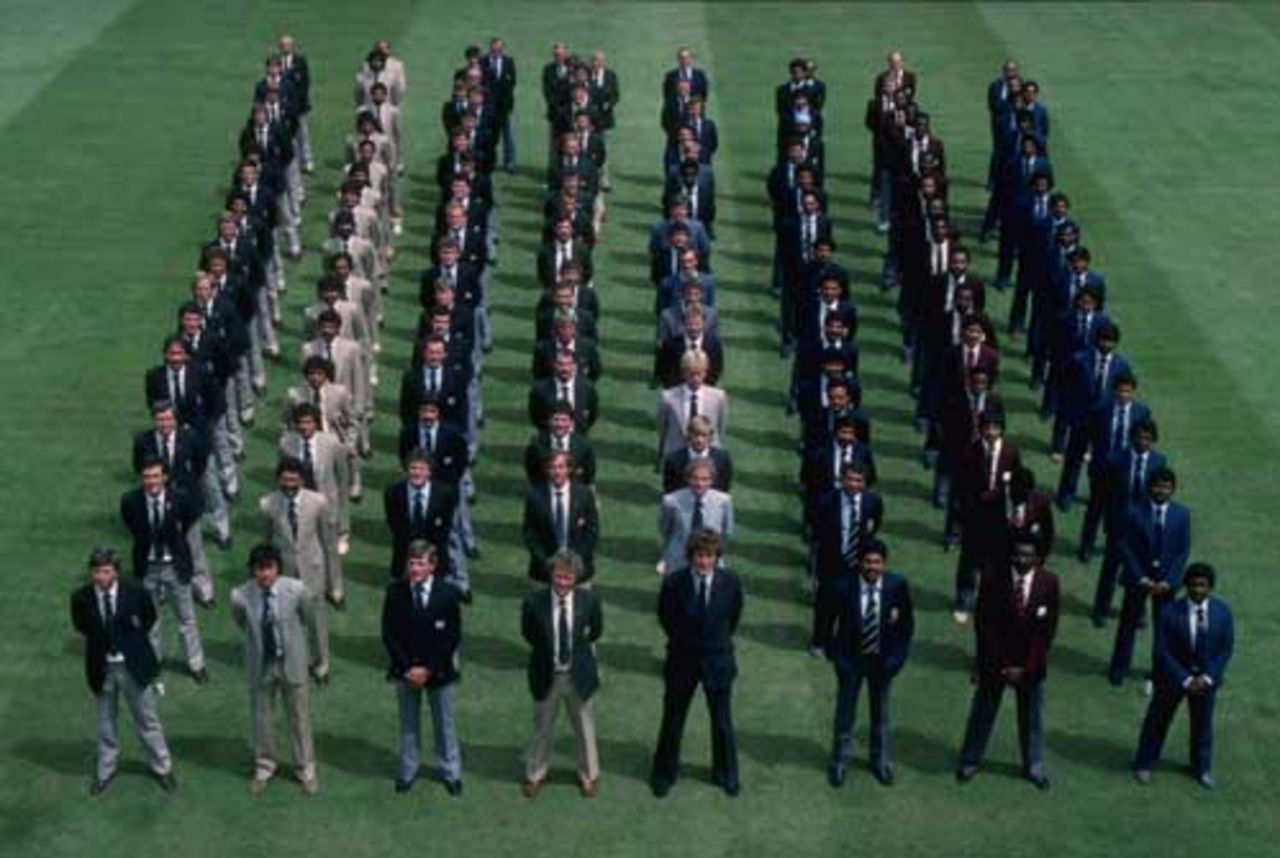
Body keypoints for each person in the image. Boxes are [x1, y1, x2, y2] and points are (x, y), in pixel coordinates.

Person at [70, 547, 176, 795]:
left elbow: (149, 619)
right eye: (96, 571)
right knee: (106, 723)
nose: (100, 577)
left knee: (148, 720)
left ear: (116, 572)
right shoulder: (80, 597)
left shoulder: (136, 591)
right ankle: (105, 771)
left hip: (134, 666)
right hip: (102, 667)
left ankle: (162, 767)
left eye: (106, 571)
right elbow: (82, 626)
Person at [957, 535, 1059, 790]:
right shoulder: (993, 578)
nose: (1022, 559)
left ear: (1037, 558)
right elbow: (984, 624)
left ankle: (1033, 767)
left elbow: (1046, 633)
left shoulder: (1049, 583)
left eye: (1028, 555)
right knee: (982, 714)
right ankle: (970, 760)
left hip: (1030, 667)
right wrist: (1003, 664)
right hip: (995, 662)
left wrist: (1025, 667)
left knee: (1031, 719)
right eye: (1018, 554)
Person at [651, 531, 743, 797]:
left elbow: (732, 618)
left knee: (722, 721)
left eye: (709, 556)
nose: (704, 561)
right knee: (673, 719)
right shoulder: (673, 583)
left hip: (718, 661)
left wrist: (716, 644)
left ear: (717, 557)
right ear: (690, 556)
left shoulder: (731, 582)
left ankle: (726, 773)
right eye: (699, 556)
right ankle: (664, 774)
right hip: (682, 660)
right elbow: (666, 618)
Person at [231, 543, 321, 795]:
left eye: (269, 568)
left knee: (299, 718)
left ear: (278, 568)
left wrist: (313, 657)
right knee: (262, 719)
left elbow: (308, 620)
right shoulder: (241, 596)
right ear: (253, 571)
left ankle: (305, 769)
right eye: (259, 569)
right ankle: (264, 766)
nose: (265, 574)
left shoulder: (297, 590)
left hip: (291, 663)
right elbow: (242, 622)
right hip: (261, 665)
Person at [1133, 563, 1233, 790]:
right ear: (1186, 585)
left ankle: (1201, 769)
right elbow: (1162, 650)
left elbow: (1225, 648)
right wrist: (1186, 679)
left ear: (1210, 587)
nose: (1198, 590)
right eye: (1194, 584)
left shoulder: (1222, 612)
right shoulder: (1169, 612)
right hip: (1173, 679)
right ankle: (1144, 763)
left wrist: (1207, 678)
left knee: (1202, 726)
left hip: (1206, 682)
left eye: (1203, 585)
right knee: (1157, 721)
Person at [825, 539, 913, 787]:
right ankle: (840, 761)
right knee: (845, 714)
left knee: (881, 715)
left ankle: (881, 762)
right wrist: (837, 658)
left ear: (884, 564)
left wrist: (896, 661)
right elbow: (827, 622)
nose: (872, 567)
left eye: (877, 562)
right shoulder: (843, 587)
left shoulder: (897, 586)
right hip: (851, 661)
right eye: (867, 561)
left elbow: (906, 627)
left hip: (882, 663)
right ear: (859, 563)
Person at [381, 541, 464, 796]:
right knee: (408, 724)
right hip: (405, 672)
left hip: (439, 673)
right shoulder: (395, 592)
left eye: (420, 563)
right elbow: (389, 633)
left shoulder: (448, 594)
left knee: (445, 725)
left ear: (432, 565)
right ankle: (408, 770)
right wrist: (408, 668)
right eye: (412, 562)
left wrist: (428, 669)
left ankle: (451, 772)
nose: (415, 568)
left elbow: (452, 637)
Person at [520, 549, 603, 799]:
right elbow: (529, 635)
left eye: (567, 578)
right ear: (551, 576)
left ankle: (589, 775)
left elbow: (595, 632)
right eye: (558, 577)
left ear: (576, 578)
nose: (562, 583)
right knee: (542, 728)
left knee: (585, 727)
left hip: (579, 674)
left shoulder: (589, 601)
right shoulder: (534, 602)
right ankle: (535, 773)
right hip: (547, 674)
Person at [120, 457, 207, 683]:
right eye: (147, 477)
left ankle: (196, 663)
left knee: (187, 617)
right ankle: (153, 662)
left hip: (175, 566)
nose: (151, 481)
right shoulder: (131, 501)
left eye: (156, 476)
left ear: (165, 477)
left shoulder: (180, 500)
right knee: (150, 619)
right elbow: (133, 527)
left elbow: (186, 524)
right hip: (147, 567)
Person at [1108, 467, 1191, 687]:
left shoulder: (1182, 514)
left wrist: (1170, 580)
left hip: (1165, 584)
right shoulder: (1133, 511)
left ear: (1173, 489)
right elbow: (1124, 546)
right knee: (1127, 625)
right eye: (1157, 486)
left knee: (1164, 631)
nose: (1162, 491)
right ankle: (1119, 668)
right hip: (1138, 579)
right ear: (1149, 487)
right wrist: (1140, 577)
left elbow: (1182, 551)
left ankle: (1159, 671)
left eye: (1166, 487)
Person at [259, 458, 340, 681]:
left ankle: (321, 663)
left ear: (302, 480)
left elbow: (326, 541)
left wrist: (331, 582)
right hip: (283, 572)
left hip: (312, 568)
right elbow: (266, 541)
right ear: (278, 479)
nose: (289, 484)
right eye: (285, 479)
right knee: (285, 619)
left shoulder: (318, 502)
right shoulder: (268, 504)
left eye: (294, 479)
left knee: (316, 620)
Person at [522, 450, 599, 583]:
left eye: (560, 467)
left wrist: (576, 560)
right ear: (546, 470)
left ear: (568, 469)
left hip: (579, 573)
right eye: (552, 467)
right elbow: (530, 533)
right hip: (544, 574)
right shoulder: (535, 497)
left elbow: (592, 531)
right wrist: (546, 561)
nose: (557, 472)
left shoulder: (584, 495)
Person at [658, 458, 733, 575]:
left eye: (705, 479)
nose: (699, 483)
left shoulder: (723, 501)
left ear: (712, 480)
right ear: (687, 478)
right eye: (695, 478)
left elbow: (727, 532)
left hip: (710, 559)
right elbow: (665, 529)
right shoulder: (671, 501)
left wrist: (715, 553)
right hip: (679, 558)